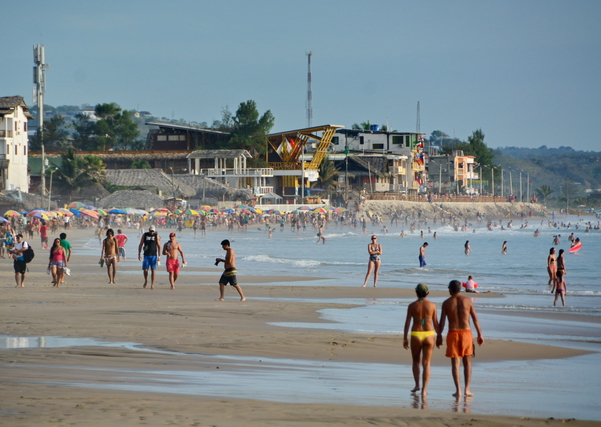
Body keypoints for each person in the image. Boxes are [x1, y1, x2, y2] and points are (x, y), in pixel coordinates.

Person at [437, 280, 484, 398]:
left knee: (455, 364)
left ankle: (458, 390)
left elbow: (442, 323)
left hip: (453, 333)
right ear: (460, 289)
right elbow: (475, 319)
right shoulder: (467, 301)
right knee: (467, 363)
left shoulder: (446, 303)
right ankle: (467, 389)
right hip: (466, 333)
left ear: (451, 289)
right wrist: (480, 334)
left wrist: (439, 336)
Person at [403, 283, 439, 396]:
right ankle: (424, 390)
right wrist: (440, 336)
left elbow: (407, 322)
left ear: (416, 292)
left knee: (416, 361)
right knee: (427, 363)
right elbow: (435, 323)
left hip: (416, 333)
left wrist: (405, 337)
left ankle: (417, 385)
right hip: (429, 334)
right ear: (427, 293)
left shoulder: (412, 306)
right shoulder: (433, 305)